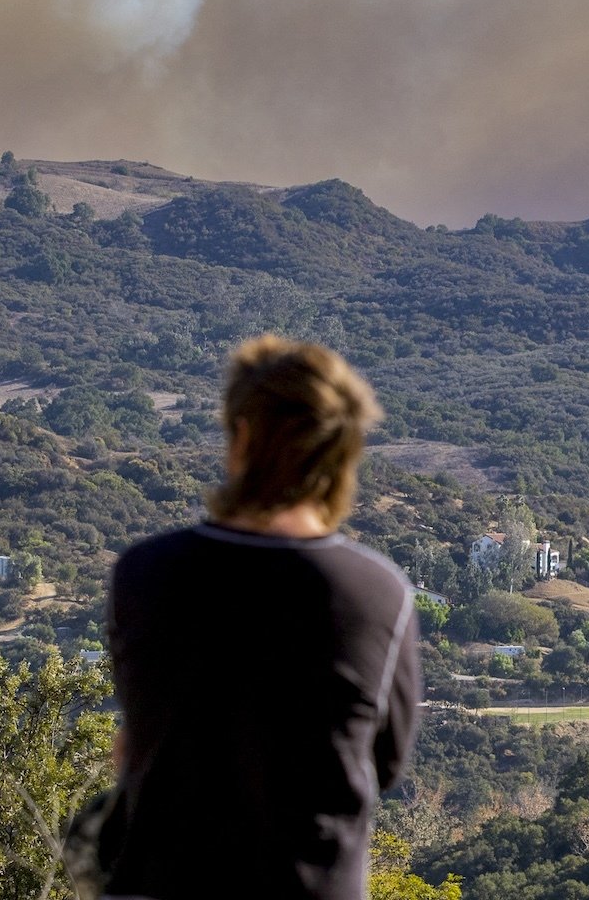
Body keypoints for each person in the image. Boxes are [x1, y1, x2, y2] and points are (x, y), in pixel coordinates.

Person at [104, 336, 419, 900]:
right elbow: (385, 764)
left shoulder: (145, 573)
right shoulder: (377, 594)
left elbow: (137, 738)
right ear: (342, 451)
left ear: (242, 437)